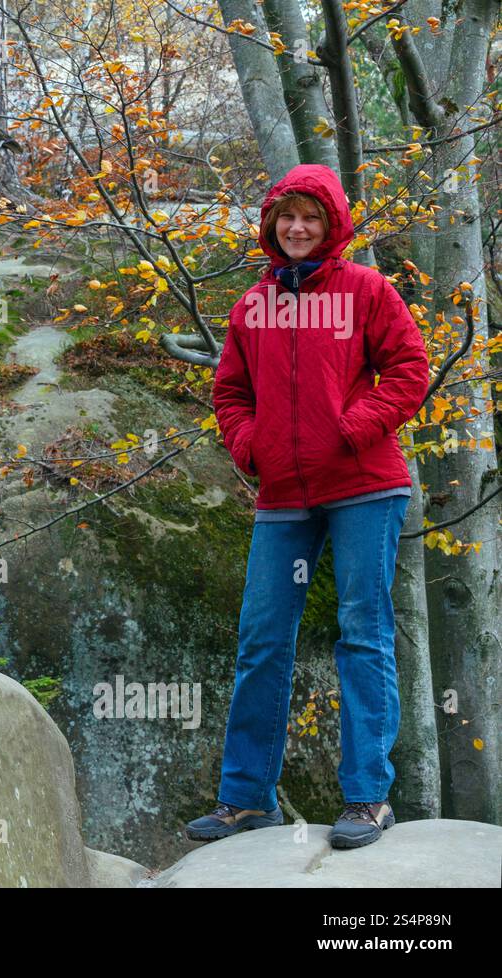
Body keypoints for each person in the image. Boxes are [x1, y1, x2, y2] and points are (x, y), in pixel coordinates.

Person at [187, 164, 429, 849]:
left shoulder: (365, 289)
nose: (298, 228)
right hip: (282, 494)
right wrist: (249, 445)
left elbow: (410, 369)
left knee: (362, 633)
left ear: (332, 227)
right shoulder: (252, 305)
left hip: (364, 486)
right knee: (262, 637)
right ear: (272, 224)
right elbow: (231, 392)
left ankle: (367, 799)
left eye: (311, 218)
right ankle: (246, 799)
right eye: (287, 216)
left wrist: (350, 430)